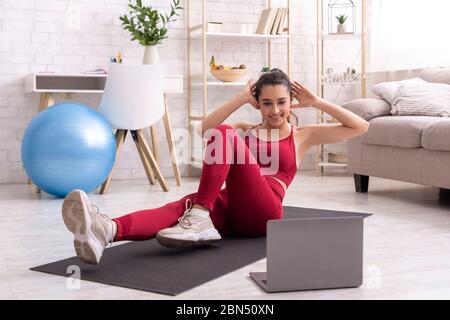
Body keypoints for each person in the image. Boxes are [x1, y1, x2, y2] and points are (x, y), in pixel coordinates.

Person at [61, 69, 369, 265]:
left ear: (292, 102)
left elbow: (360, 127)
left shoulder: (303, 135)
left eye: (281, 102)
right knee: (180, 206)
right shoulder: (245, 128)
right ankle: (106, 230)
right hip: (226, 203)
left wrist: (317, 103)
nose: (275, 110)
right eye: (266, 103)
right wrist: (237, 98)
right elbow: (205, 129)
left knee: (223, 138)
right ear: (257, 103)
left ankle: (199, 216)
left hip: (265, 211)